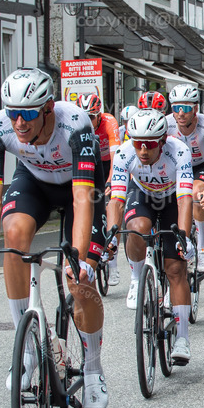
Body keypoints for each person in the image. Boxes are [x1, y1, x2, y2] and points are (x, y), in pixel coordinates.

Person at [0, 68, 110, 408]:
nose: (19, 122)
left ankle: (92, 366)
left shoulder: (75, 124)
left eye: (28, 113)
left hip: (80, 190)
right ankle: (28, 350)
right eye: (13, 112)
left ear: (47, 108)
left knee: (80, 279)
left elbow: (81, 198)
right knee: (13, 235)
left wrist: (78, 258)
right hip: (35, 183)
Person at [107, 110, 195, 361]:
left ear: (162, 141)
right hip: (142, 194)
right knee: (135, 226)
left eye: (149, 145)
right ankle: (136, 277)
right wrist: (112, 237)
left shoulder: (179, 152)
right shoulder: (125, 153)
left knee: (175, 268)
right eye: (138, 144)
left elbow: (185, 199)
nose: (143, 151)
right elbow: (116, 200)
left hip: (171, 199)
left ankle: (182, 338)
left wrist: (184, 238)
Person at [166, 83, 204, 273]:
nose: (180, 113)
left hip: (199, 166)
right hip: (175, 167)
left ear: (195, 108)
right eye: (176, 108)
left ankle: (202, 248)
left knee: (196, 194)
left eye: (186, 108)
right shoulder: (166, 124)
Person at [78, 93, 122, 285]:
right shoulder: (78, 124)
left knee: (113, 203)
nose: (87, 121)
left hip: (107, 164)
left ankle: (113, 260)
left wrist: (111, 181)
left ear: (99, 115)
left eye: (91, 117)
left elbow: (116, 156)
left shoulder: (109, 122)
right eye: (84, 116)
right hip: (90, 163)